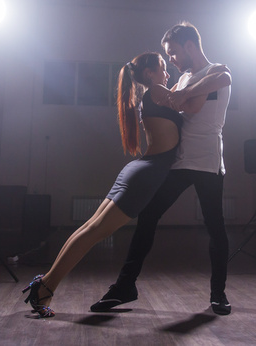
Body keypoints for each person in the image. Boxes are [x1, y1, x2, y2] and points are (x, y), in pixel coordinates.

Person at [22, 51, 205, 318]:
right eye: (163, 68)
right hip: (146, 174)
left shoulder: (154, 93)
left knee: (88, 229)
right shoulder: (156, 90)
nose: (168, 74)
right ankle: (46, 286)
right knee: (92, 233)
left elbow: (179, 89)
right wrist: (213, 76)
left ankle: (45, 283)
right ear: (149, 74)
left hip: (138, 171)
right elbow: (188, 97)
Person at [90, 22, 233, 315]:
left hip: (207, 163)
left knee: (215, 228)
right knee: (149, 215)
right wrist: (176, 94)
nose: (171, 60)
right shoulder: (182, 80)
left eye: (174, 53)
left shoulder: (216, 71)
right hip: (179, 162)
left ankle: (218, 294)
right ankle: (125, 286)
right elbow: (174, 102)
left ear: (190, 46)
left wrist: (183, 94)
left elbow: (223, 78)